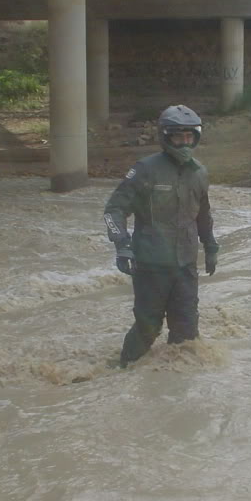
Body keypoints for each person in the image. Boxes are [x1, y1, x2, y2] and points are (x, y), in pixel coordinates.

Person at [103, 105, 219, 367]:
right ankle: (123, 371)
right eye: (179, 136)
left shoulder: (199, 172)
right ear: (166, 136)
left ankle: (175, 388)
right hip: (151, 265)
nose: (185, 142)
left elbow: (203, 214)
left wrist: (210, 246)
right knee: (148, 327)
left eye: (190, 136)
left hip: (186, 264)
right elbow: (114, 209)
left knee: (187, 331)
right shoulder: (145, 170)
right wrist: (121, 243)